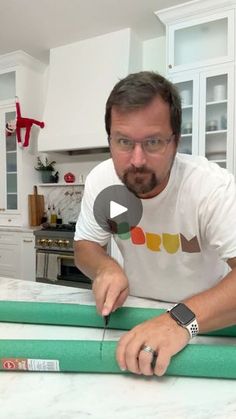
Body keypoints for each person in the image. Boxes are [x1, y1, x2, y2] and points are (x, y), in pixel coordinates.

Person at [74, 71, 236, 377]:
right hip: (135, 315)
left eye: (153, 142)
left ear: (175, 141)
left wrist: (179, 319)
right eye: (123, 141)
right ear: (109, 139)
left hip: (207, 319)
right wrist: (105, 267)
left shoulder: (210, 188)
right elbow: (85, 246)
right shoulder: (102, 180)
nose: (136, 160)